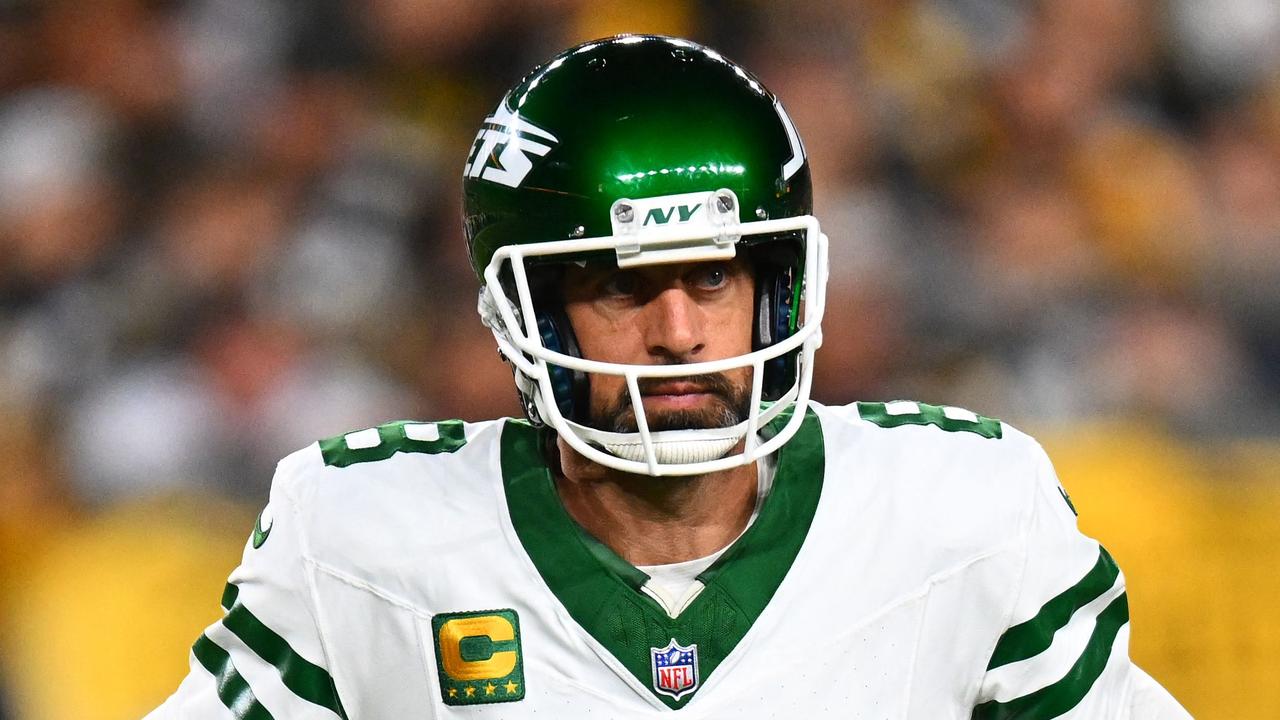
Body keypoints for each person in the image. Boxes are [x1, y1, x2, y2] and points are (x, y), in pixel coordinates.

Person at [149, 35, 1189, 718]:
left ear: (777, 285)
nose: (680, 332)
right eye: (618, 289)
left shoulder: (965, 512)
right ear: (526, 310)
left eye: (712, 277)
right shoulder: (361, 533)